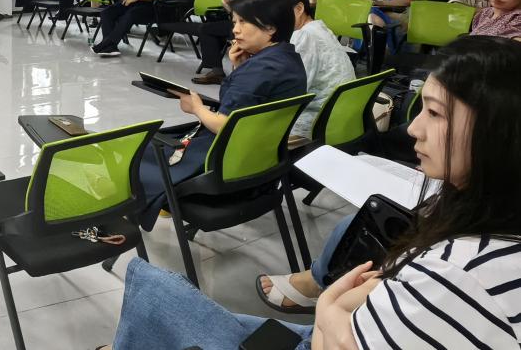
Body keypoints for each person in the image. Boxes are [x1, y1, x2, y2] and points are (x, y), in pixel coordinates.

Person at [110, 36, 521, 350]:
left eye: (434, 112)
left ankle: (312, 288)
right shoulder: (491, 228)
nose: (413, 128)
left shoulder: (456, 277)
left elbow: (231, 117)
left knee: (150, 286)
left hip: (329, 330)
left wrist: (330, 310)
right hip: (273, 169)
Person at [134, 0, 307, 227]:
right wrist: (240, 67)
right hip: (261, 160)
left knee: (140, 151)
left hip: (222, 164)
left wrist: (196, 107)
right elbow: (250, 106)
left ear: (270, 28)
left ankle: (138, 205)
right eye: (234, 22)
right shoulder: (288, 59)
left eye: (243, 22)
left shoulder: (259, 69)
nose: (235, 29)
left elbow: (225, 125)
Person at [267, 0, 354, 138]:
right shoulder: (317, 28)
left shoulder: (304, 36)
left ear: (299, 9)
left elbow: (289, 94)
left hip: (314, 124)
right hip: (338, 118)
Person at [191, 0, 281, 85]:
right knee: (205, 28)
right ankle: (216, 71)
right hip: (242, 22)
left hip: (261, 26)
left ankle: (243, 76)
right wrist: (237, 17)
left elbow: (266, 8)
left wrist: (242, 17)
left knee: (236, 36)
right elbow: (226, 0)